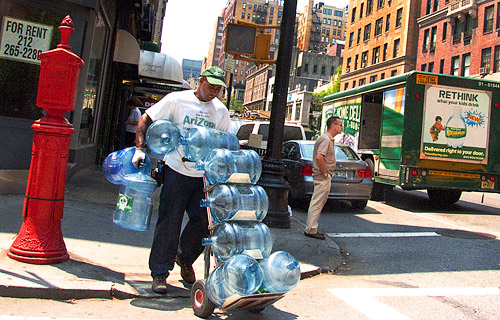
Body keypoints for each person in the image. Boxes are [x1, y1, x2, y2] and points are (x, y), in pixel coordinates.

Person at [131, 66, 230, 294]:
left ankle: (184, 258)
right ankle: (159, 274)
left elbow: (226, 141)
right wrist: (140, 148)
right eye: (211, 85)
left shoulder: (221, 112)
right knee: (169, 222)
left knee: (205, 223)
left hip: (204, 176)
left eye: (218, 88)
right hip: (176, 170)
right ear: (201, 81)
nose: (214, 91)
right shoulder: (176, 100)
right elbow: (147, 118)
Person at [304, 116, 343, 240]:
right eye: (340, 125)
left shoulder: (326, 139)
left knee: (318, 201)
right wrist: (325, 173)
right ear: (333, 126)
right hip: (322, 176)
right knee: (317, 202)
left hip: (322, 175)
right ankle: (311, 229)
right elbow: (320, 157)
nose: (342, 127)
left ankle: (311, 228)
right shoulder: (326, 139)